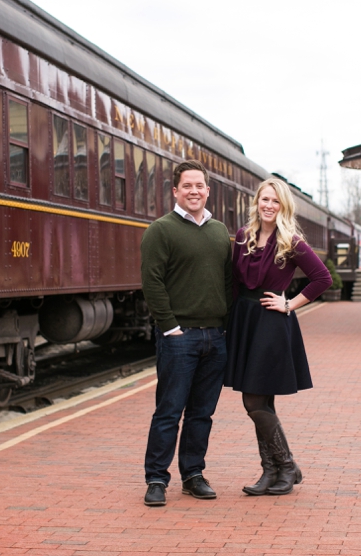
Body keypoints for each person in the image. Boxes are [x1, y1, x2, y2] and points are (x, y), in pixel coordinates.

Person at [224, 177, 331, 496]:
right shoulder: (243, 237)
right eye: (264, 199)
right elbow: (233, 281)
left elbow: (321, 278)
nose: (269, 205)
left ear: (283, 206)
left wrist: (289, 304)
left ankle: (284, 466)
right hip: (244, 321)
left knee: (254, 399)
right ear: (256, 202)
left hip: (271, 323)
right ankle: (274, 471)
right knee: (259, 400)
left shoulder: (291, 240)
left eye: (275, 201)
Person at [140, 159, 232, 507]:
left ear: (208, 191)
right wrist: (170, 328)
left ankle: (193, 474)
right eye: (187, 186)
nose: (194, 191)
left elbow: (227, 281)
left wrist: (224, 327)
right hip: (180, 337)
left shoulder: (219, 231)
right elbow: (152, 282)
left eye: (200, 186)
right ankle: (156, 479)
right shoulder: (160, 230)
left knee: (201, 414)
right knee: (169, 410)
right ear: (176, 191)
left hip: (214, 337)